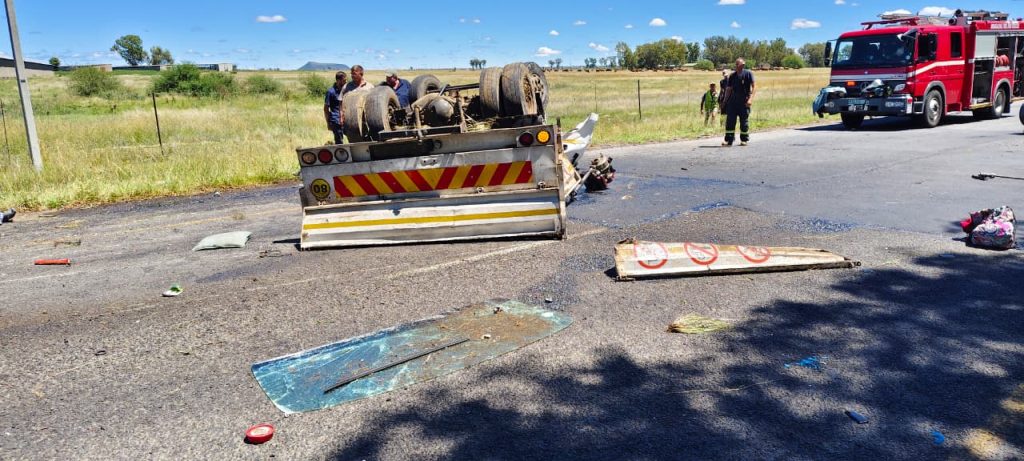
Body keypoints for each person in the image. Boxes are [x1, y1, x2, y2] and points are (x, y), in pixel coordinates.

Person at [722, 58, 755, 147]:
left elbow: (754, 87)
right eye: (736, 64)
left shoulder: (748, 74)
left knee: (744, 122)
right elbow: (728, 89)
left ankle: (744, 140)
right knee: (730, 121)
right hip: (733, 102)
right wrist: (724, 101)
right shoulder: (732, 76)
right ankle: (729, 140)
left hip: (744, 102)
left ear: (743, 65)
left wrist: (750, 99)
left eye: (739, 64)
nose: (737, 66)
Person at [323, 71, 347, 144]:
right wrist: (328, 123)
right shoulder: (331, 92)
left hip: (347, 119)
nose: (346, 82)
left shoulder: (346, 90)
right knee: (339, 142)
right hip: (336, 120)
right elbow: (326, 108)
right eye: (344, 80)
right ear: (338, 80)